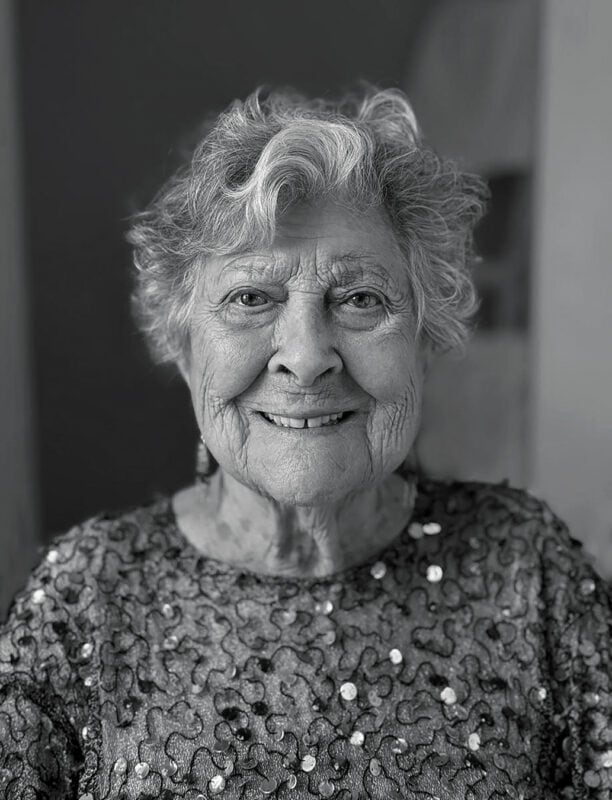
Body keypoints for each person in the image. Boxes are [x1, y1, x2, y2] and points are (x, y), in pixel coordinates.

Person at [0, 86, 610, 800]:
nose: (307, 355)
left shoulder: (528, 570)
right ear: (186, 348)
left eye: (360, 299)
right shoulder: (85, 595)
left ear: (424, 343)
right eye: (251, 299)